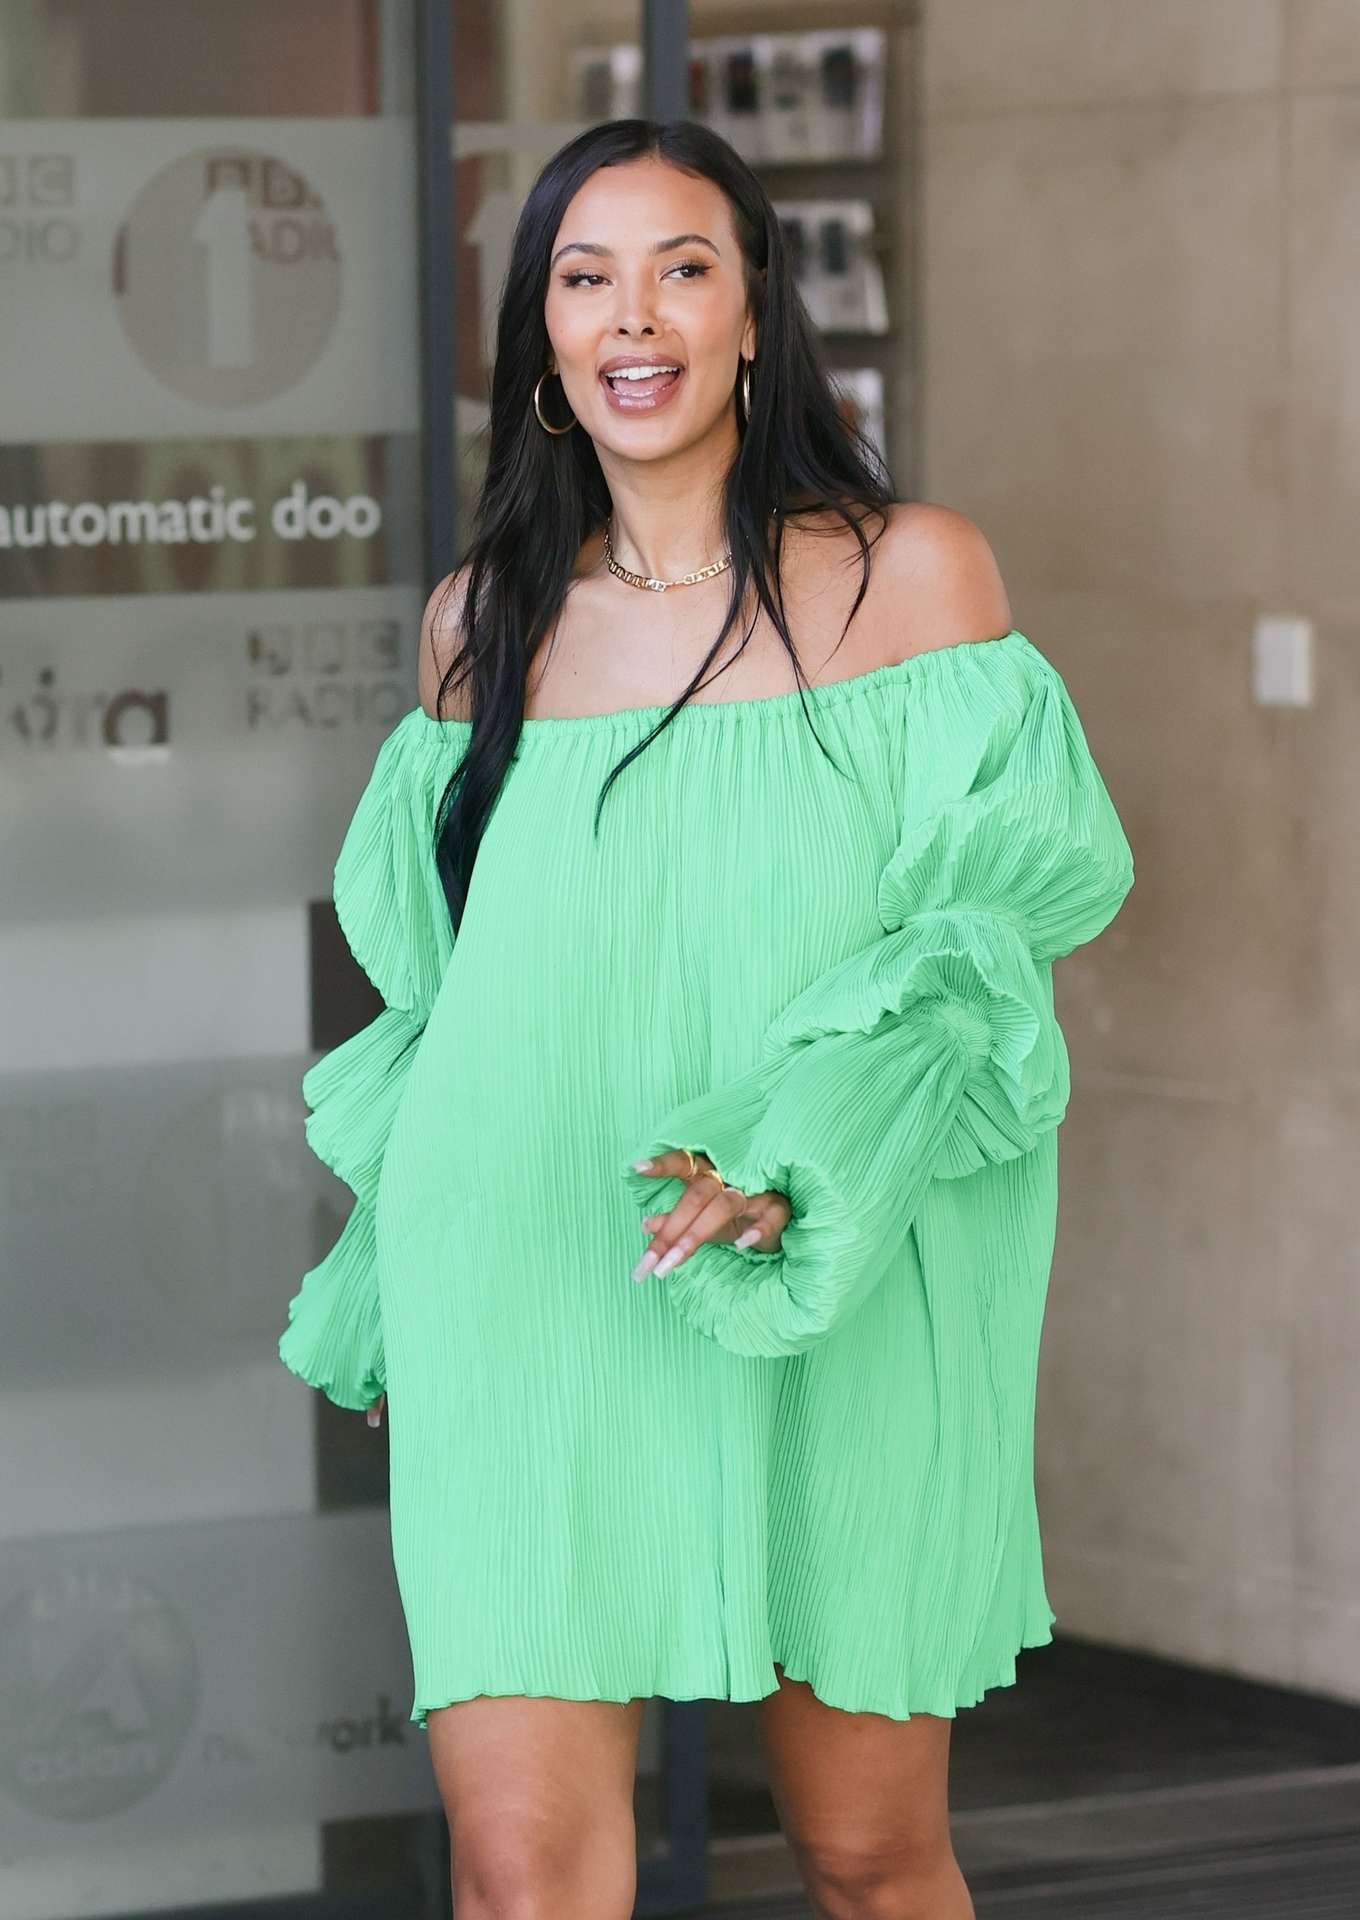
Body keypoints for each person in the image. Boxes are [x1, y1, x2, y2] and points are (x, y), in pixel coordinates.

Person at [278, 117, 1135, 1920]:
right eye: (585, 277)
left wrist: (793, 1165)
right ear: (541, 333)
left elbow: (978, 949)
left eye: (683, 268)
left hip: (831, 1265)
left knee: (869, 1857)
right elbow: (444, 999)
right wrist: (393, 1277)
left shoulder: (912, 580)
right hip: (527, 1270)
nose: (633, 316)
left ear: (756, 313)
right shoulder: (480, 627)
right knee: (522, 1880)